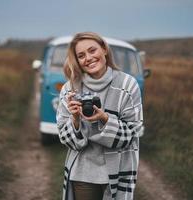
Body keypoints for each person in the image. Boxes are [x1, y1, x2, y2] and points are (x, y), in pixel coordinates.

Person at [56, 32, 143, 200]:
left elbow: (132, 133)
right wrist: (74, 119)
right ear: (77, 61)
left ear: (104, 50)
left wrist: (104, 118)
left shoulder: (127, 85)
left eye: (92, 50)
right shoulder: (70, 89)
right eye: (81, 55)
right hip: (83, 172)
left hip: (119, 169)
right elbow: (66, 139)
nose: (88, 58)